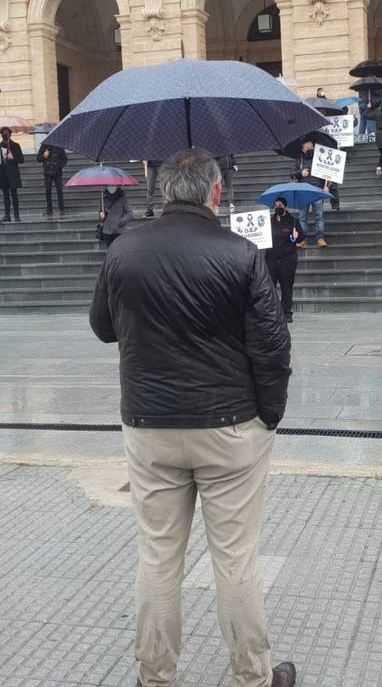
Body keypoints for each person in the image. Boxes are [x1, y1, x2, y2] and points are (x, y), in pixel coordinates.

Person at [89, 149, 296, 687]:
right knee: (235, 559)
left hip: (149, 424)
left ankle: (155, 677)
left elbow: (103, 328)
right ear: (216, 193)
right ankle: (253, 676)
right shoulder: (241, 253)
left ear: (162, 193)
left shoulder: (123, 250)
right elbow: (272, 347)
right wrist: (267, 417)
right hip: (229, 427)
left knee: (157, 556)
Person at [265, 197, 303, 324]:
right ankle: (273, 312)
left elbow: (301, 238)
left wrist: (295, 237)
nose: (277, 207)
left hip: (288, 260)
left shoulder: (293, 221)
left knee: (287, 287)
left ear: (285, 207)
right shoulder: (268, 221)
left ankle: (287, 312)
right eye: (275, 205)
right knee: (270, 288)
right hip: (271, 260)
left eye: (280, 205)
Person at [290, 138, 330, 247]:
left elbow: (329, 173)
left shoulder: (320, 158)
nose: (310, 149)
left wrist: (327, 187)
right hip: (303, 191)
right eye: (308, 148)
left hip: (317, 190)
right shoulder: (299, 160)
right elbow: (291, 174)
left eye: (312, 147)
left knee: (319, 216)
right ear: (303, 149)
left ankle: (320, 238)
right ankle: (302, 239)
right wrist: (300, 173)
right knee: (302, 217)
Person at [0, 126, 24, 223]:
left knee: (14, 195)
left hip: (12, 174)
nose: (5, 135)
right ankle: (7, 215)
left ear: (10, 134)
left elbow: (21, 160)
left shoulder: (15, 145)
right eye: (3, 134)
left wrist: (13, 158)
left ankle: (16, 214)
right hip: (3, 174)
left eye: (6, 133)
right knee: (5, 196)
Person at [36, 143, 67, 217]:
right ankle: (49, 209)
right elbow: (38, 159)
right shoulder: (44, 147)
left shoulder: (59, 147)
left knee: (59, 190)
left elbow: (64, 159)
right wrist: (43, 156)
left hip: (57, 172)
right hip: (47, 172)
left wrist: (59, 166)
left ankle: (61, 208)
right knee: (48, 190)